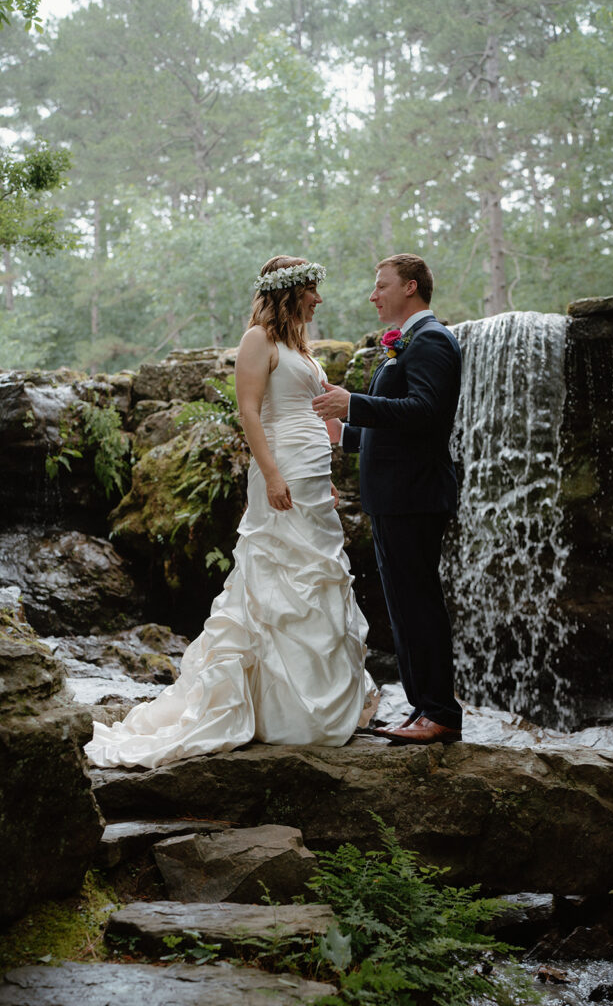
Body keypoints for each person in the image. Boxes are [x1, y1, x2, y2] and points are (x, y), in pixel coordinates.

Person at [86, 256, 376, 770]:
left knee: (319, 576)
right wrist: (271, 474)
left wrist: (326, 475)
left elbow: (313, 412)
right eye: (312, 291)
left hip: (311, 475)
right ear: (289, 293)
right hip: (281, 469)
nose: (319, 300)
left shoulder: (300, 349)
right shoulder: (257, 340)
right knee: (278, 577)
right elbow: (249, 410)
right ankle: (274, 707)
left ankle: (319, 699)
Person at [312, 253, 462, 746]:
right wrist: (344, 430)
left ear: (411, 287)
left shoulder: (432, 340)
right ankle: (422, 708)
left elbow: (424, 412)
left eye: (381, 286)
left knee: (418, 605)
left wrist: (353, 402)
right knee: (403, 606)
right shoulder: (408, 343)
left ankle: (440, 712)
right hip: (395, 497)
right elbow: (395, 425)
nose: (373, 295)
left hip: (414, 496)